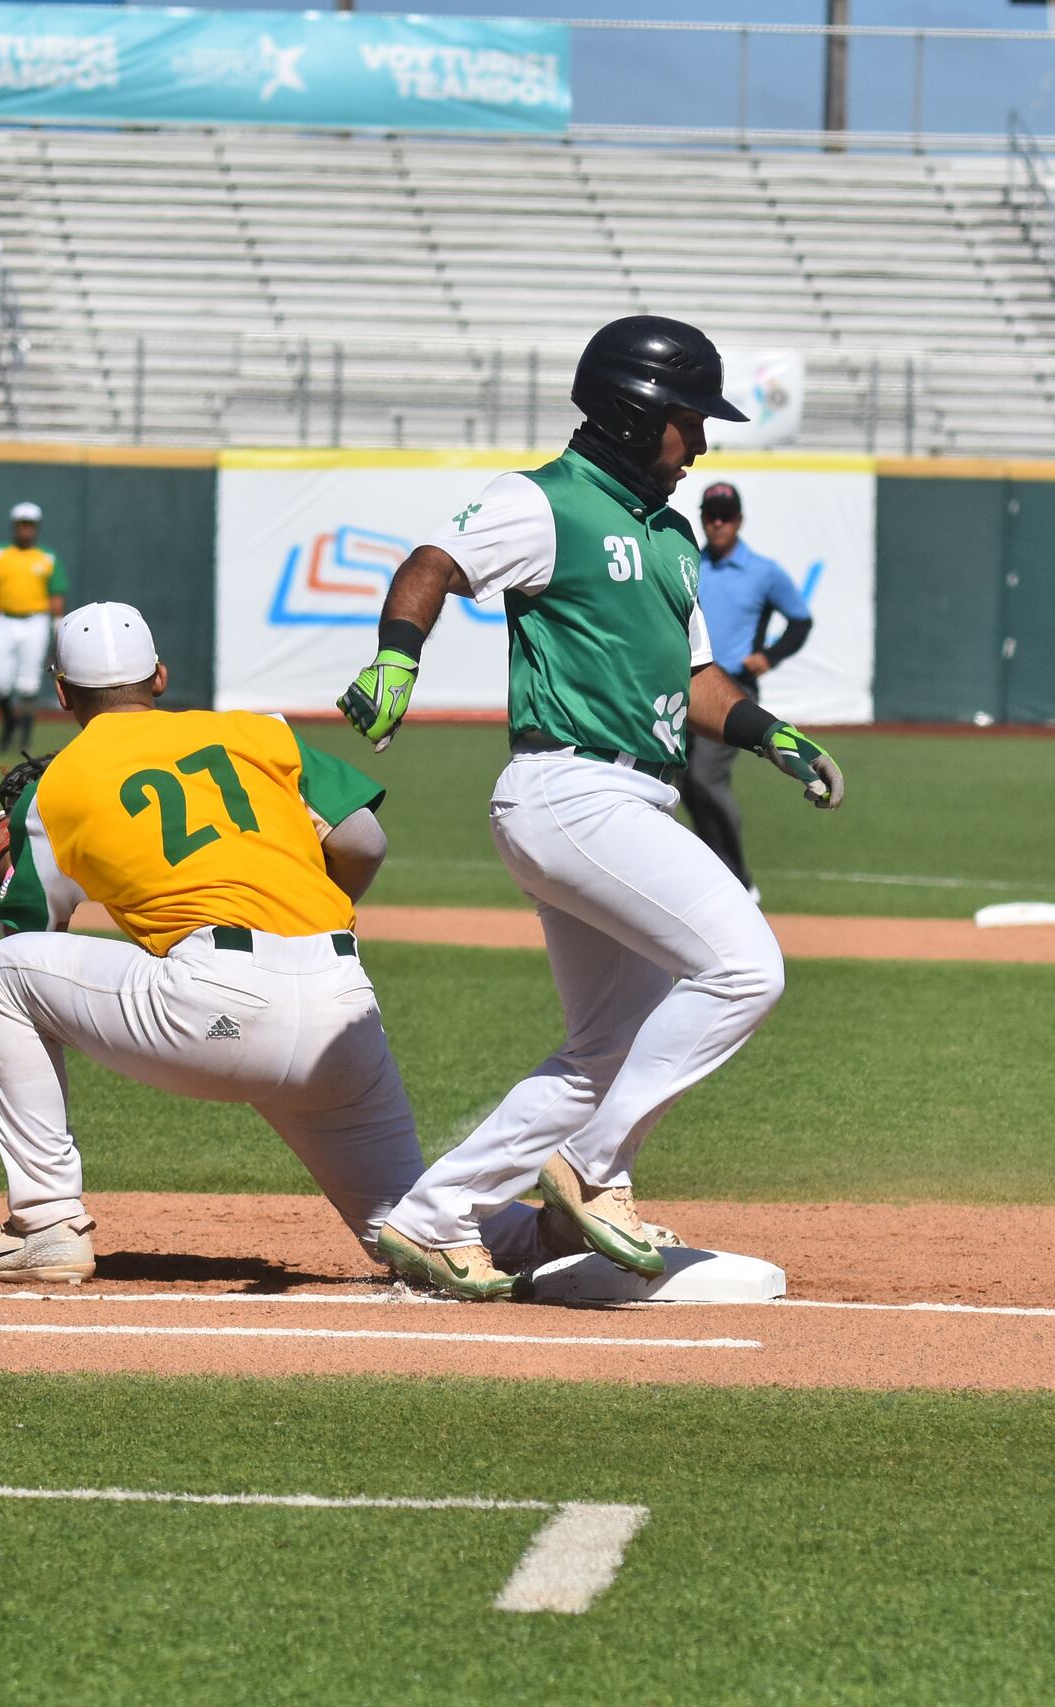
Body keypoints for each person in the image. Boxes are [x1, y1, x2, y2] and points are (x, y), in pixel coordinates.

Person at [335, 315, 847, 1302]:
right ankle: (592, 1169)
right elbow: (431, 564)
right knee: (744, 965)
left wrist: (776, 739)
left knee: (604, 1048)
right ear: (631, 413)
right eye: (688, 421)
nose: (698, 445)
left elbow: (699, 683)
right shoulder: (545, 503)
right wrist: (398, 657)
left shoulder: (668, 539)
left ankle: (435, 1216)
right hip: (568, 787)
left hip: (625, 799)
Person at [0, 601, 426, 1283]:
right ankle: (569, 1245)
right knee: (423, 1232)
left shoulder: (55, 790)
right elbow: (363, 842)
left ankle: (46, 1222)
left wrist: (34, 855)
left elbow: (26, 937)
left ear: (61, 692)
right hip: (341, 996)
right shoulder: (261, 733)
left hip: (215, 1005)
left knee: (2, 971)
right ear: (160, 678)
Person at [674, 480, 814, 897]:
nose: (717, 523)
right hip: (684, 683)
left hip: (733, 687)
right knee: (675, 785)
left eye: (726, 516)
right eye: (710, 515)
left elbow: (800, 620)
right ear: (702, 518)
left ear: (739, 520)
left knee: (705, 778)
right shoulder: (687, 562)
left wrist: (769, 657)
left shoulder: (763, 572)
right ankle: (720, 875)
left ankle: (740, 881)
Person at [0, 501, 64, 755]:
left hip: (36, 621)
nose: (25, 529)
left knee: (29, 685)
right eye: (21, 523)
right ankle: (10, 721)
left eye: (30, 524)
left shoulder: (47, 557)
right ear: (14, 525)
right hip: (4, 620)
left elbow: (56, 599)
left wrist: (57, 632)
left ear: (37, 527)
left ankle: (26, 737)